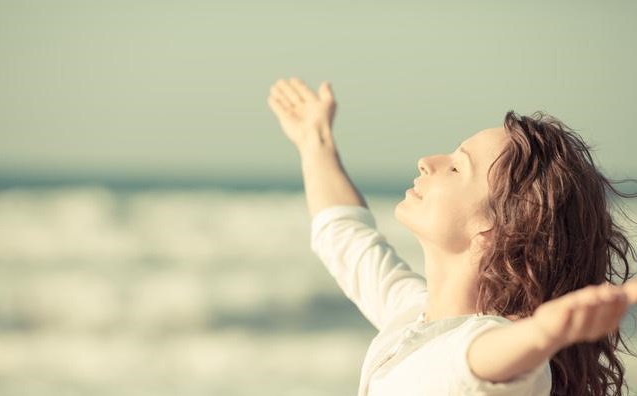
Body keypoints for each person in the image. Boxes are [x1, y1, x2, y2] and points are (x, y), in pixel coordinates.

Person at [267, 77, 637, 396]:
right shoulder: (412, 315)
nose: (427, 160)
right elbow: (346, 236)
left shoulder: (492, 344)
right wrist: (314, 141)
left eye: (458, 166)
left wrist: (544, 332)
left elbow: (486, 357)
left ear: (495, 229)